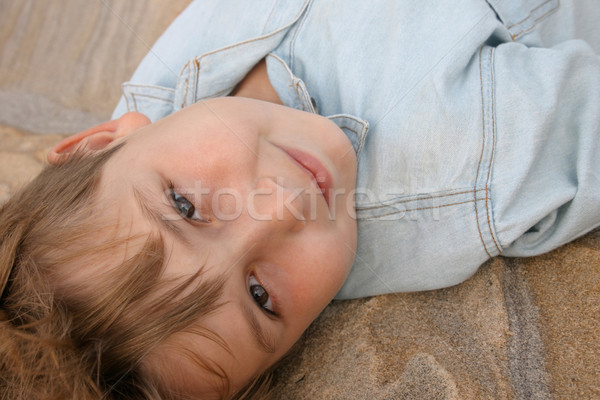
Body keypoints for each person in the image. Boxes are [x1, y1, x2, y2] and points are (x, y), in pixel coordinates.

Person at [1, 0, 599, 398]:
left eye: (184, 207)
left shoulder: (156, 101)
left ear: (96, 144)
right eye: (261, 298)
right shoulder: (472, 173)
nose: (283, 206)